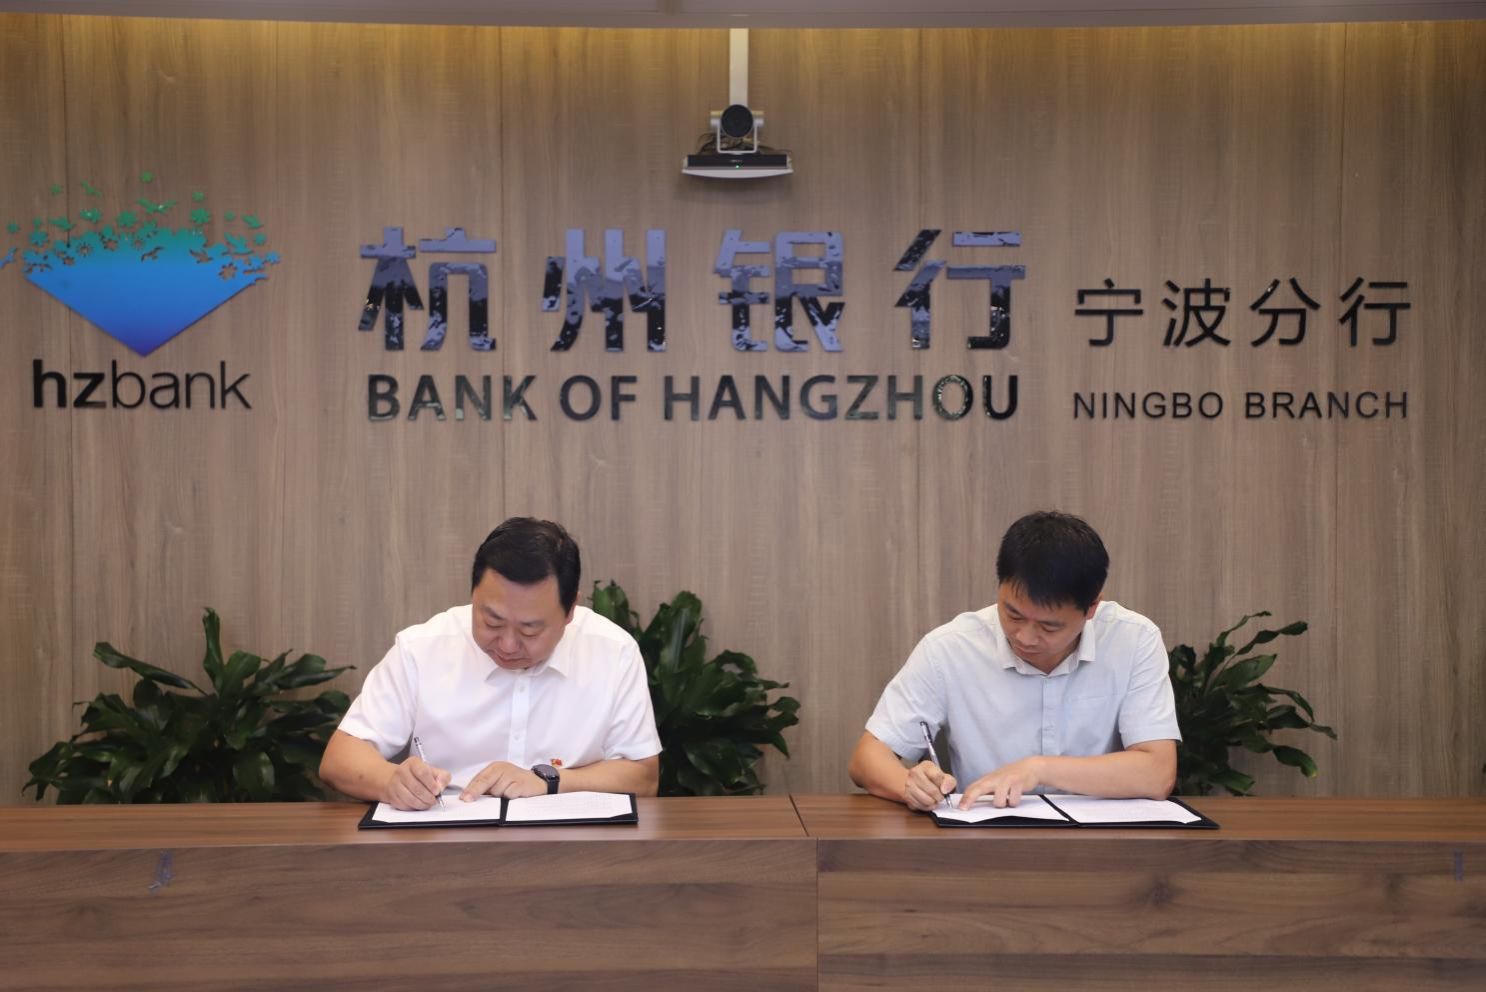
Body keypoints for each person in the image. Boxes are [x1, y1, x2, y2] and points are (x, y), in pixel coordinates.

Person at [320, 517, 661, 809]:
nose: (508, 645)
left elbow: (643, 778)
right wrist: (392, 780)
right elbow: (339, 759)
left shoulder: (613, 652)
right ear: (473, 595)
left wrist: (550, 781)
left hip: (571, 849)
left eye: (530, 629)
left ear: (570, 610)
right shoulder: (422, 649)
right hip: (444, 843)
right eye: (492, 621)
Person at [848, 510, 1179, 811]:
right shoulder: (950, 647)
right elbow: (867, 758)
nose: (1025, 637)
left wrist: (1038, 769)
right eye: (1013, 614)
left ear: (1091, 607)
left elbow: (1158, 773)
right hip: (986, 840)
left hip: (1101, 844)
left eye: (1049, 626)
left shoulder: (1133, 639)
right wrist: (910, 786)